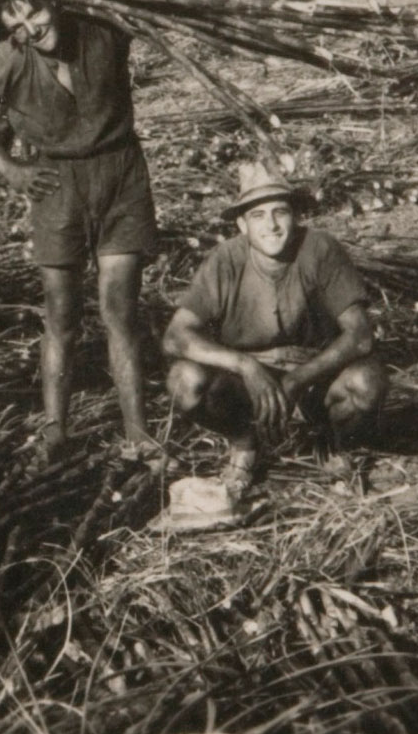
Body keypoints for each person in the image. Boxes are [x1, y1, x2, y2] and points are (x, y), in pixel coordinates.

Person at [0, 0, 159, 463]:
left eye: (36, 11)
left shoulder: (102, 30)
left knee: (119, 311)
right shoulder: (11, 57)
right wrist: (10, 170)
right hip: (56, 186)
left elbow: (148, 7)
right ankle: (56, 433)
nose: (32, 26)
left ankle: (137, 433)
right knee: (62, 316)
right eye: (17, 21)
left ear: (55, 3)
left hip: (120, 176)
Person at [163, 162, 387, 501]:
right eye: (257, 215)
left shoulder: (320, 249)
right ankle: (244, 442)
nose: (271, 225)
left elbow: (359, 335)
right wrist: (245, 366)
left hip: (315, 376)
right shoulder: (225, 259)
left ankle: (332, 442)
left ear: (295, 215)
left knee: (367, 383)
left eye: (280, 212)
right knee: (185, 381)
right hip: (249, 384)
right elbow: (176, 335)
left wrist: (300, 378)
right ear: (241, 224)